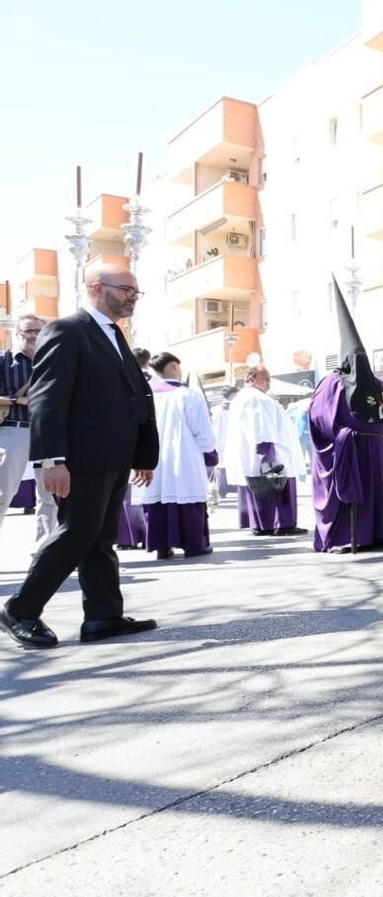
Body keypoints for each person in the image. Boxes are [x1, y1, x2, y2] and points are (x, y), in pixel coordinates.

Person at [0, 263, 160, 649]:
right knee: (77, 532)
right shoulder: (67, 330)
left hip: (113, 456)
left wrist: (141, 453)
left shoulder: (113, 335)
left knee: (101, 537)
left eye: (136, 292)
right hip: (79, 457)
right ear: (94, 286)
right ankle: (21, 609)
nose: (131, 297)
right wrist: (51, 459)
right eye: (126, 289)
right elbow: (47, 398)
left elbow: (131, 395)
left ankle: (103, 617)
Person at [309, 284, 383, 552]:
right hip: (354, 450)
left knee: (373, 494)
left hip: (361, 449)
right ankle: (361, 535)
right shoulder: (343, 383)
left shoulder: (364, 383)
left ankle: (369, 534)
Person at [130, 353, 216, 559]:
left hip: (153, 459)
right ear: (175, 367)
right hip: (184, 458)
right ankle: (194, 544)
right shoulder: (189, 395)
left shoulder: (145, 395)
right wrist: (208, 451)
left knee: (157, 497)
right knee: (187, 495)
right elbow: (204, 435)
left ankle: (161, 546)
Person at [222, 366, 307, 536]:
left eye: (269, 378)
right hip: (272, 455)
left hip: (251, 456)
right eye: (264, 378)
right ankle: (282, 524)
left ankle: (262, 525)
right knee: (276, 488)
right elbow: (262, 430)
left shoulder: (241, 398)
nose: (268, 381)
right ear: (250, 379)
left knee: (258, 490)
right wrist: (266, 458)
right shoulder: (258, 399)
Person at [0, 313, 44, 529]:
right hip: (14, 430)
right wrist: (18, 400)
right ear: (17, 333)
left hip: (48, 432)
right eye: (28, 330)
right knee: (2, 493)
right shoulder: (4, 360)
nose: (34, 335)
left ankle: (45, 556)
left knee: (51, 498)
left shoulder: (54, 360)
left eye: (38, 330)